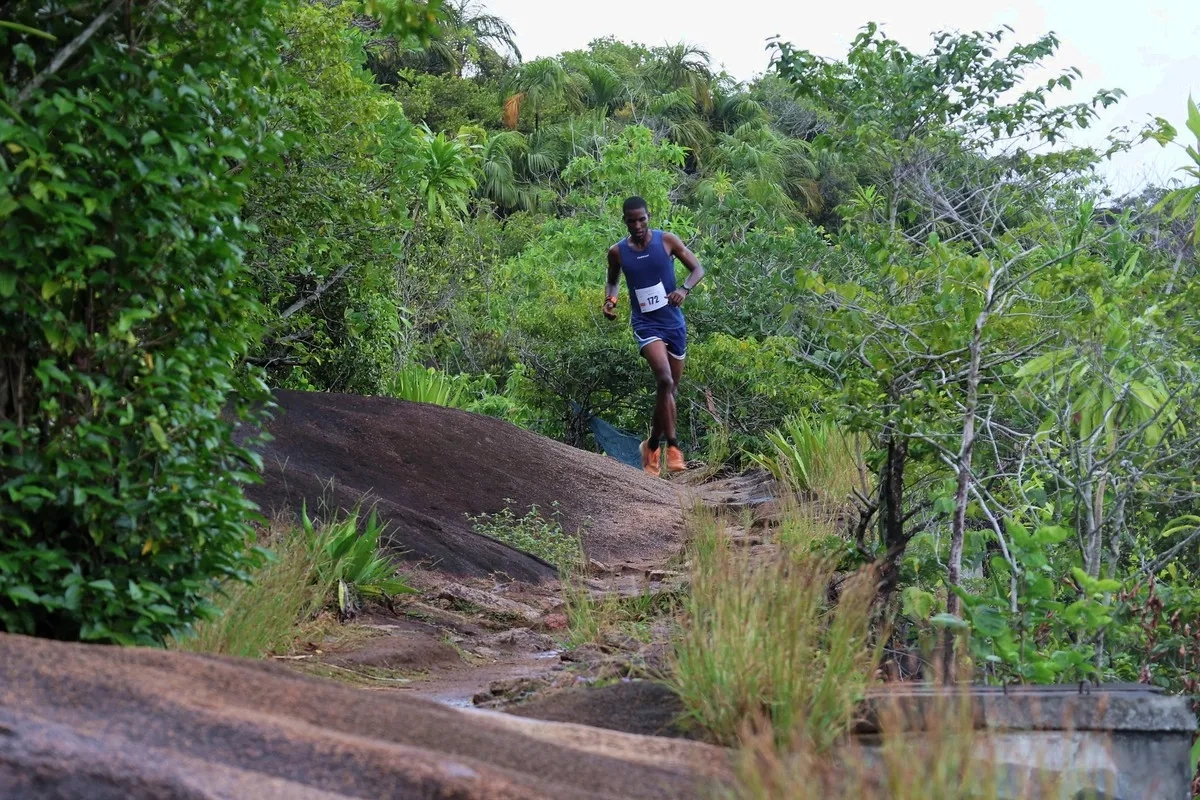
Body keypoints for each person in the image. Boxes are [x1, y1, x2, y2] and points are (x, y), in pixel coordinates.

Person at [603, 196, 705, 477]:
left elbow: (698, 269)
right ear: (624, 220)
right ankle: (673, 449)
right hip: (646, 325)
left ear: (649, 217)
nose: (637, 225)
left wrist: (683, 290)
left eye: (642, 219)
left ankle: (651, 445)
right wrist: (610, 301)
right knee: (664, 379)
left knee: (668, 392)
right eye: (631, 220)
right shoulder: (618, 252)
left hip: (673, 322)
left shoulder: (667, 241)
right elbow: (613, 280)